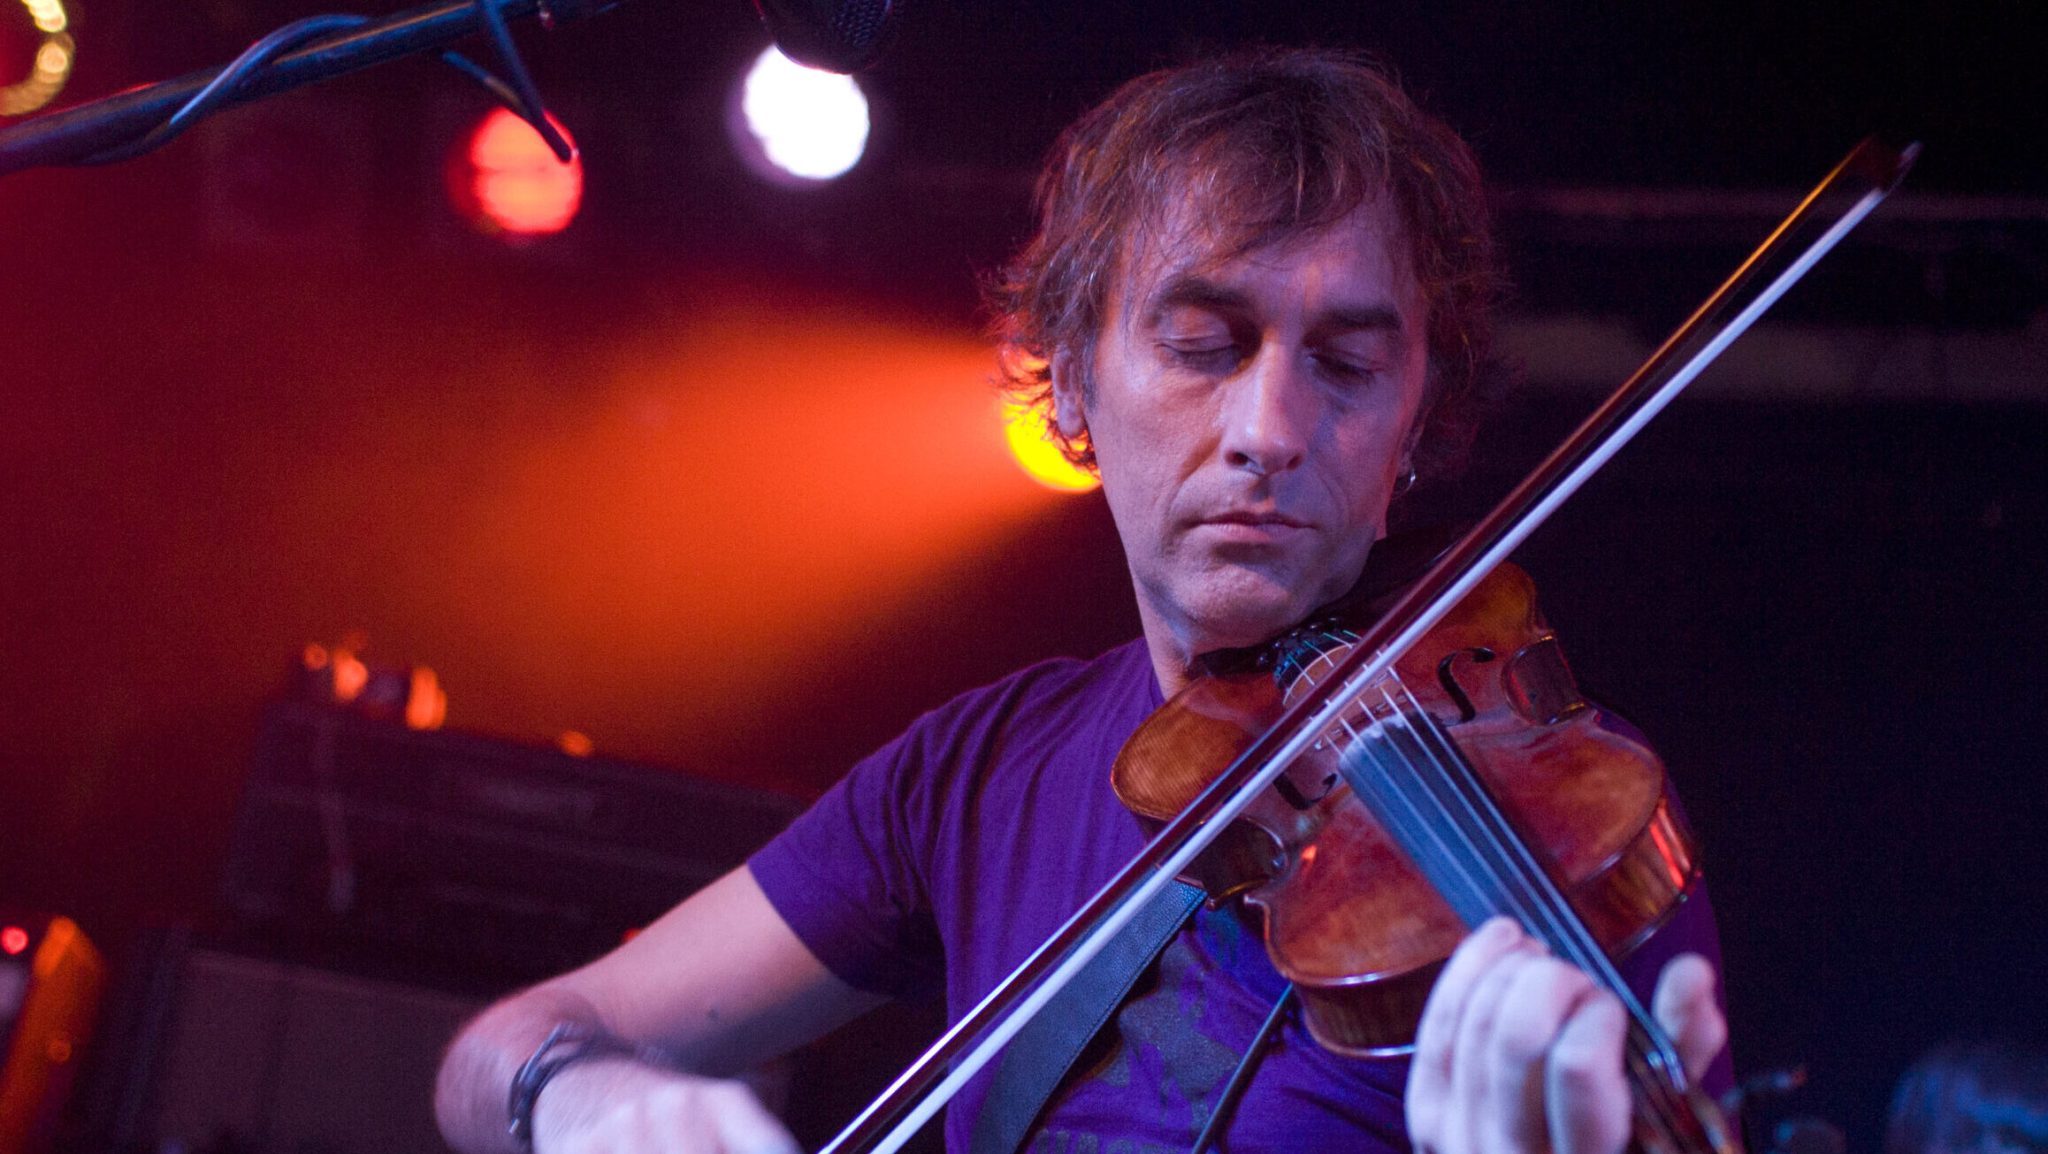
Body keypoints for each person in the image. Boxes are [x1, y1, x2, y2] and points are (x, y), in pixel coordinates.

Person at [435, 47, 1731, 1154]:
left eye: (1345, 361)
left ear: (1413, 433)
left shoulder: (1559, 827)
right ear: (1069, 392)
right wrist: (585, 1096)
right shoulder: (970, 775)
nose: (1271, 427)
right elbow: (495, 1051)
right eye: (1203, 344)